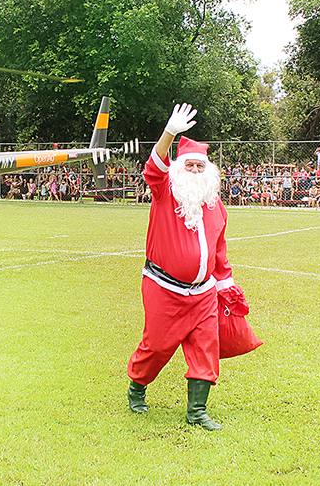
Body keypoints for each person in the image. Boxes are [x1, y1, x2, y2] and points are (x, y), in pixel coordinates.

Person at [127, 103, 243, 431]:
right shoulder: (164, 192)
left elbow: (219, 250)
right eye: (188, 165)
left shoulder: (215, 205)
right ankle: (137, 386)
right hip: (164, 287)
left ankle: (197, 411)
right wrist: (168, 134)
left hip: (204, 294)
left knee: (206, 346)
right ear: (179, 169)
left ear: (208, 172)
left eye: (199, 167)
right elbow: (154, 168)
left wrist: (225, 284)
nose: (193, 171)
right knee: (158, 345)